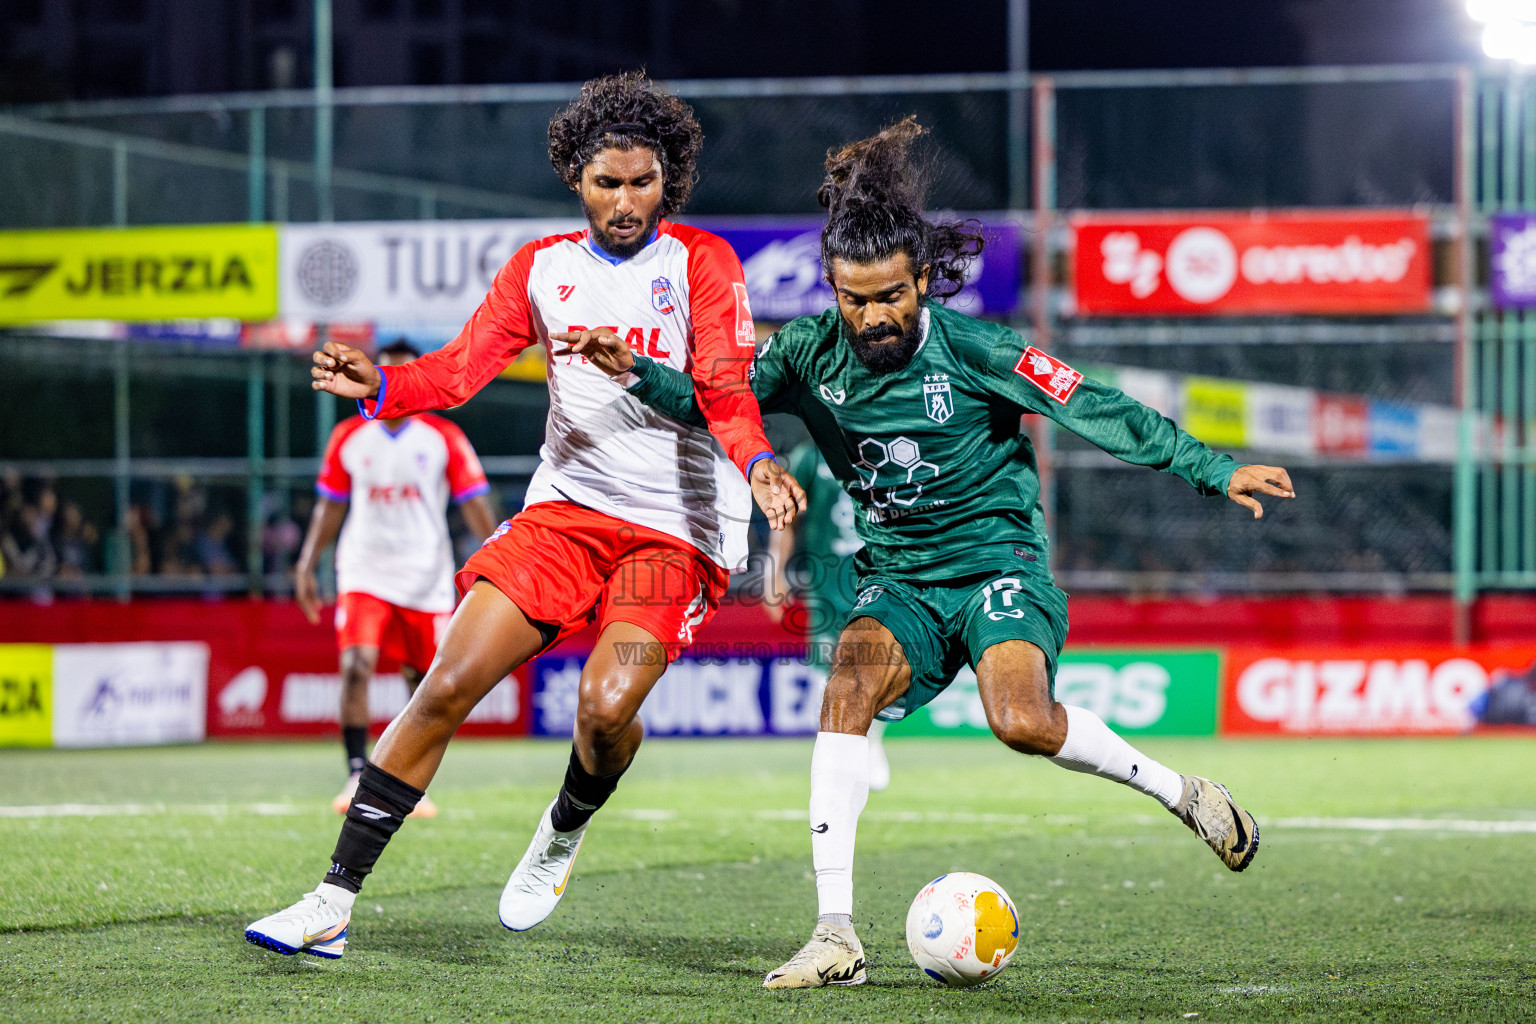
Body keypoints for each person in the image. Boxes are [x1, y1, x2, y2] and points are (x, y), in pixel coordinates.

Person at [568, 118, 1295, 989]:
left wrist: (1212, 469)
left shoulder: (978, 351)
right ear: (833, 288)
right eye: (853, 298)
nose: (872, 316)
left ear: (922, 280)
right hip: (900, 581)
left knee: (1021, 722)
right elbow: (717, 399)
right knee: (846, 687)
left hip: (999, 568)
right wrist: (636, 371)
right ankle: (835, 933)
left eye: (890, 297)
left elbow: (1096, 406)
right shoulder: (807, 353)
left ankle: (1188, 796)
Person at [245, 71, 805, 961]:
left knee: (605, 706)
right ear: (575, 180)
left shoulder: (700, 263)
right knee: (448, 681)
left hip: (677, 530)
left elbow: (726, 390)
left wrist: (761, 463)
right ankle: (331, 901)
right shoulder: (541, 270)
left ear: (671, 180)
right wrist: (382, 386)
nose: (626, 202)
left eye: (643, 182)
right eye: (607, 183)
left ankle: (563, 829)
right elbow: (459, 371)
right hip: (565, 513)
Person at [294, 338, 499, 818]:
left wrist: (497, 557)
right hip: (364, 567)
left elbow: (475, 505)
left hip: (424, 573)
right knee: (356, 666)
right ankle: (354, 772)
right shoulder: (348, 435)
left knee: (422, 680)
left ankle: (411, 781)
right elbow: (331, 504)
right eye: (385, 374)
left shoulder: (444, 437)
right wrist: (307, 562)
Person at [766, 441, 890, 790]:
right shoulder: (812, 456)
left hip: (878, 579)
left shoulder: (887, 448)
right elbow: (786, 519)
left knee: (880, 667)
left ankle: (871, 741)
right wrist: (774, 575)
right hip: (826, 584)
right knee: (829, 673)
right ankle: (838, 754)